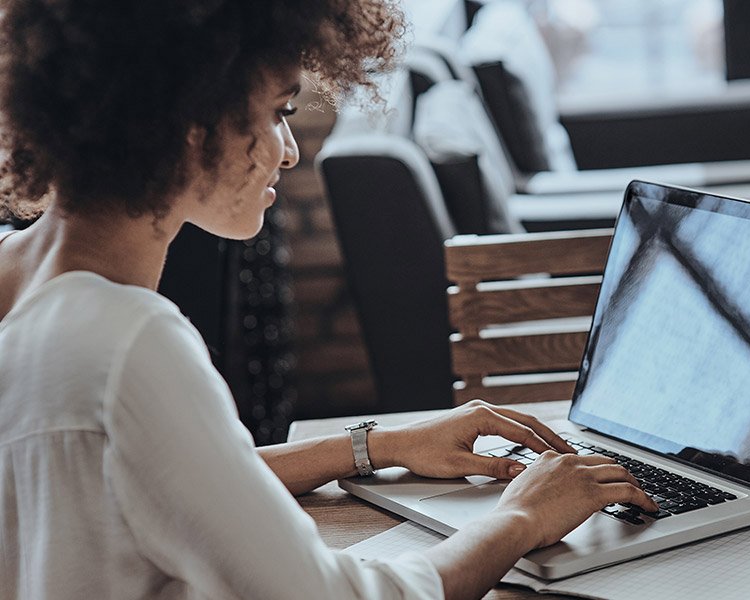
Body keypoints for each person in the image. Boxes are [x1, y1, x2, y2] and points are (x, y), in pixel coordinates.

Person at [0, 1, 655, 598]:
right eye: (279, 113)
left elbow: (181, 473)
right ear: (193, 124)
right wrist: (522, 516)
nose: (287, 153)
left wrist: (379, 444)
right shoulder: (130, 342)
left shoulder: (18, 283)